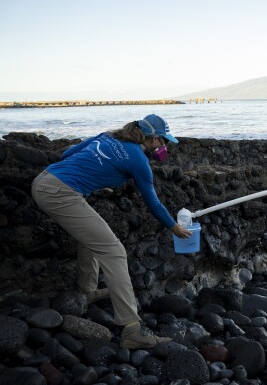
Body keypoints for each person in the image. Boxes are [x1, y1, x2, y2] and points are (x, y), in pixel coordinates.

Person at [31, 114, 192, 349]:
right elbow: (154, 204)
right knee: (114, 251)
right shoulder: (139, 161)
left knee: (92, 237)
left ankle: (87, 291)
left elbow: (66, 154)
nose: (164, 147)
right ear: (154, 139)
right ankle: (132, 330)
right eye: (164, 141)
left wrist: (100, 173)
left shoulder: (108, 135)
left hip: (45, 179)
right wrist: (174, 227)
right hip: (59, 194)